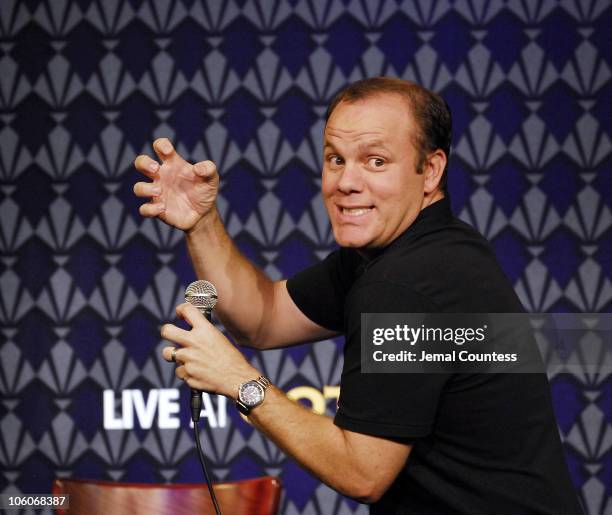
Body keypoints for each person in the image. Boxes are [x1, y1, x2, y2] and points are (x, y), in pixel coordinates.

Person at [133, 77, 582, 514]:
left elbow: (362, 472)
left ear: (431, 170)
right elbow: (263, 319)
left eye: (376, 161)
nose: (346, 182)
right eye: (335, 159)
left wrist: (239, 381)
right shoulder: (411, 249)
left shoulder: (408, 285)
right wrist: (202, 222)